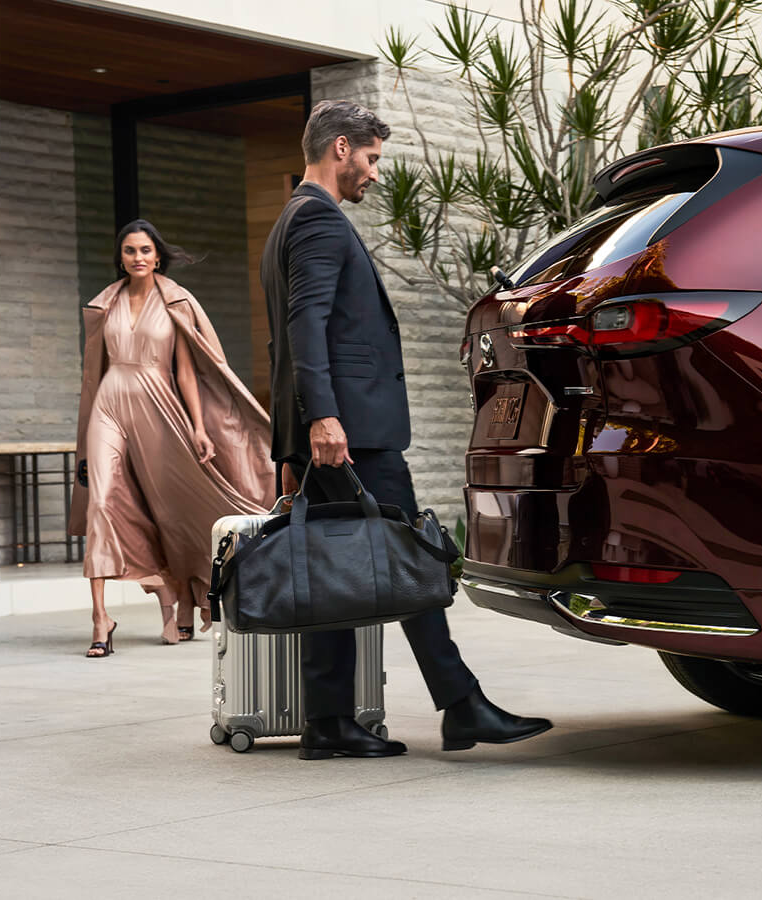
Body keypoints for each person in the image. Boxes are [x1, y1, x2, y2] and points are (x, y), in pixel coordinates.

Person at [261, 99, 553, 758]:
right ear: (340, 148)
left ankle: (331, 722)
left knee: (337, 574)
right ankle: (461, 704)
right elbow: (303, 327)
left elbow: (290, 342)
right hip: (349, 433)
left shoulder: (288, 222)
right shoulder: (319, 223)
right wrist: (325, 418)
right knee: (411, 560)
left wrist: (293, 437)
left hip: (325, 434)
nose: (371, 173)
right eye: (369, 159)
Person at [69, 220, 274, 658]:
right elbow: (96, 370)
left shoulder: (176, 300)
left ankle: (179, 593)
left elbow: (187, 369)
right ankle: (100, 619)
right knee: (102, 503)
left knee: (170, 509)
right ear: (120, 257)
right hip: (109, 404)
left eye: (145, 250)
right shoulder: (106, 303)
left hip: (159, 405)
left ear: (157, 255)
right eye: (129, 251)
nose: (137, 257)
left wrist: (199, 427)